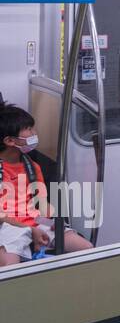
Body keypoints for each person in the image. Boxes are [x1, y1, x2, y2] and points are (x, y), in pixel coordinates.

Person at [0, 104, 94, 266]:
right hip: (7, 225)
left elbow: (41, 203)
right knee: (10, 268)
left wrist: (53, 221)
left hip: (36, 220)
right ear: (9, 140)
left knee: (86, 248)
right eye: (28, 129)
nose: (33, 133)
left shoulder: (32, 167)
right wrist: (30, 229)